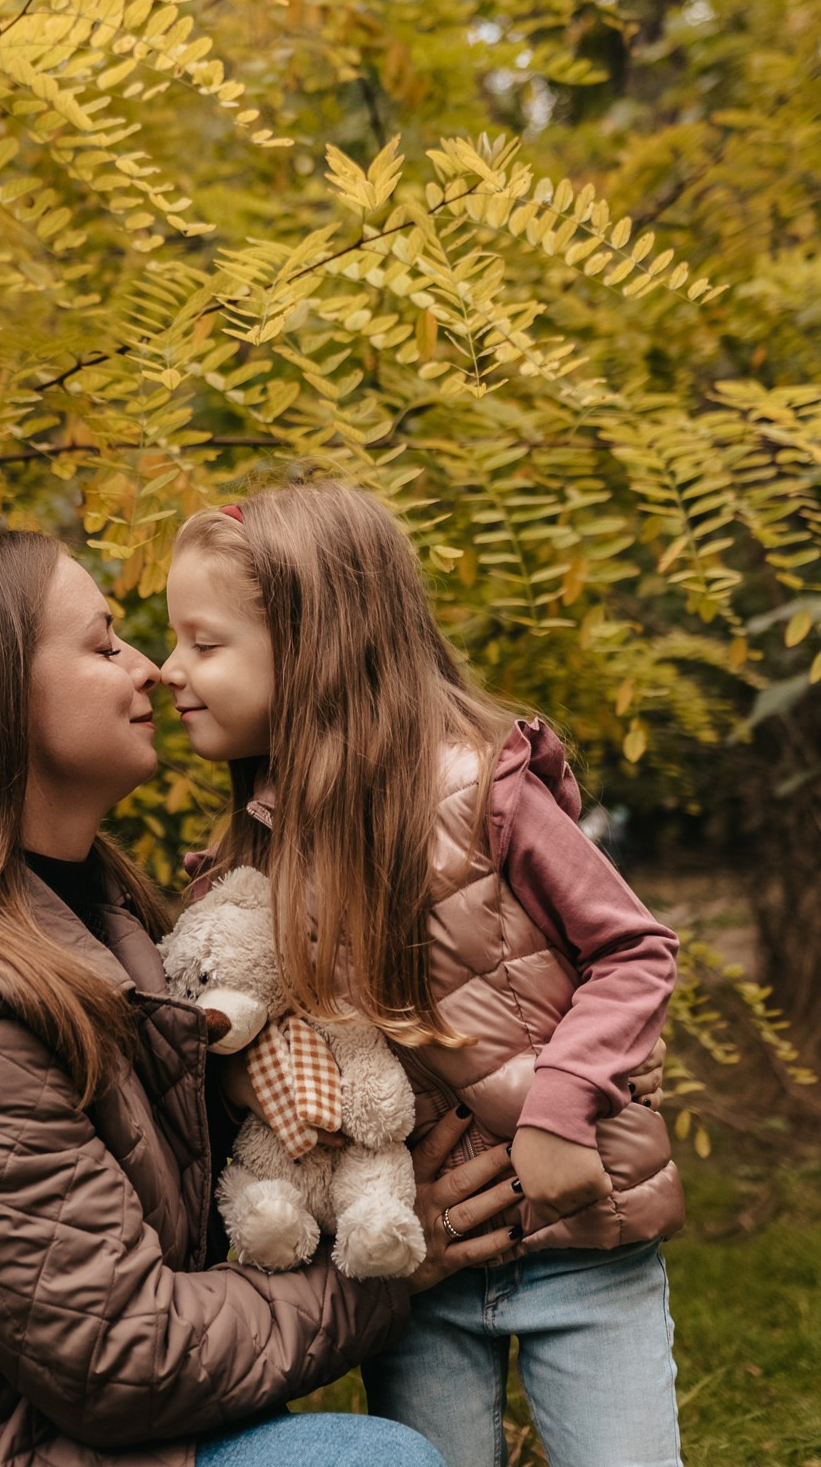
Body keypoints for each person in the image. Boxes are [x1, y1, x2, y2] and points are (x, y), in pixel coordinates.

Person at [0, 528, 531, 1467]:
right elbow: (122, 1352)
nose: (150, 670)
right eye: (104, 645)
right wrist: (392, 1268)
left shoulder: (110, 914)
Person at [161, 483, 683, 1467]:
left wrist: (564, 1104)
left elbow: (634, 949)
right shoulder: (250, 855)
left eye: (204, 642)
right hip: (413, 1266)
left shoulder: (483, 793)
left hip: (582, 1242)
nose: (168, 670)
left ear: (314, 643)